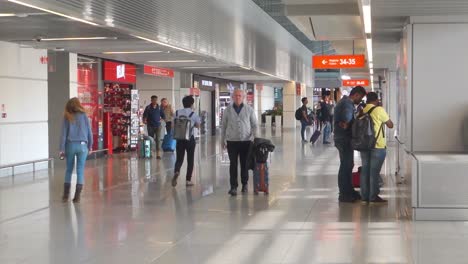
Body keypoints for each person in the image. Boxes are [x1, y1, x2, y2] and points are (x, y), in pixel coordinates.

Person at [334, 86, 367, 203]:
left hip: (341, 138)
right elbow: (346, 120)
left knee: (348, 164)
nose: (361, 100)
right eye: (361, 97)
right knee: (346, 165)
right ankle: (344, 194)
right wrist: (358, 118)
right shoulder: (347, 104)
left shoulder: (344, 102)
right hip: (344, 139)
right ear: (356, 94)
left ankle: (349, 190)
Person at [222, 89, 258, 196]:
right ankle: (233, 187)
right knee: (233, 164)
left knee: (244, 164)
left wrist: (254, 138)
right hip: (231, 141)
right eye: (236, 95)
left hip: (246, 141)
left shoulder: (249, 110)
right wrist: (222, 141)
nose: (238, 97)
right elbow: (223, 126)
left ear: (243, 97)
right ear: (232, 97)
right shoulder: (227, 110)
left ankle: (245, 184)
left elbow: (255, 125)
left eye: (240, 96)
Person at [359, 92, 394, 204]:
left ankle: (364, 196)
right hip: (377, 145)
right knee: (374, 172)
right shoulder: (379, 110)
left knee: (365, 171)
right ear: (376, 100)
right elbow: (390, 124)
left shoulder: (362, 110)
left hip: (364, 145)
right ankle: (373, 196)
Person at [60, 97, 93, 203]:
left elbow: (63, 134)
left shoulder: (67, 116)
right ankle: (77, 197)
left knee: (69, 170)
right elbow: (89, 132)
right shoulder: (84, 116)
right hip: (83, 146)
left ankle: (65, 196)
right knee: (80, 170)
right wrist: (90, 146)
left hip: (70, 145)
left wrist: (61, 148)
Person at [171, 96, 201, 187]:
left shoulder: (176, 112)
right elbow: (198, 126)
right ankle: (188, 180)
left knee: (179, 159)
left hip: (179, 138)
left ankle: (176, 171)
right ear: (192, 104)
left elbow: (172, 125)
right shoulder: (193, 114)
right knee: (190, 159)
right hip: (189, 139)